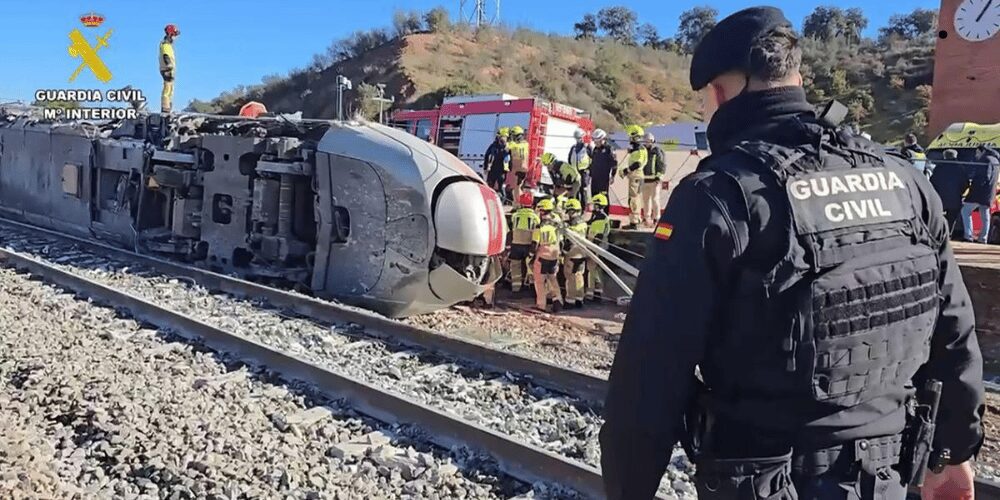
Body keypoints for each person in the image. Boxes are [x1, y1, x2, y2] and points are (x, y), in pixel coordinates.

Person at [599, 7, 985, 500]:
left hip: (766, 480)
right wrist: (953, 453)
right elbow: (954, 332)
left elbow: (648, 381)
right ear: (794, 77)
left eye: (702, 105)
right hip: (885, 477)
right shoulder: (907, 183)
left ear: (719, 93)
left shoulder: (718, 195)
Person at [931, 149, 973, 239]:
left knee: (939, 217)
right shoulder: (961, 168)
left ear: (945, 156)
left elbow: (932, 182)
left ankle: (938, 235)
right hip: (955, 199)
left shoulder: (939, 167)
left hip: (940, 198)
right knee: (951, 219)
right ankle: (948, 235)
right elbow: (966, 183)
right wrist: (960, 193)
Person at [962, 146, 1000, 243]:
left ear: (982, 151)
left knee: (965, 210)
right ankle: (983, 238)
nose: (976, 155)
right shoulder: (995, 160)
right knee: (985, 215)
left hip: (979, 193)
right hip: (989, 193)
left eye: (977, 152)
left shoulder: (985, 160)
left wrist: (973, 187)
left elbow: (984, 177)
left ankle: (968, 235)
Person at [531, 198, 563, 312]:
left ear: (543, 211)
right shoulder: (556, 226)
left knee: (539, 281)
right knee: (553, 279)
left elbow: (534, 244)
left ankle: (541, 305)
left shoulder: (539, 227)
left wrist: (531, 256)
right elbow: (562, 241)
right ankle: (557, 300)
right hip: (554, 255)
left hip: (542, 256)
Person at [509, 192, 540, 294]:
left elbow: (511, 228)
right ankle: (532, 288)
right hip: (528, 245)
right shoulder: (535, 217)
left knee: (515, 267)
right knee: (530, 267)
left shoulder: (515, 215)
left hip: (516, 244)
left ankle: (516, 288)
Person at [619, 125, 649, 229]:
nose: (629, 139)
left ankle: (634, 222)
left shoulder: (640, 150)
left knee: (634, 199)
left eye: (631, 137)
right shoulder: (638, 149)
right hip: (636, 176)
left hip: (636, 176)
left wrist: (626, 170)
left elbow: (638, 163)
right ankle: (635, 220)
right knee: (635, 198)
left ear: (636, 137)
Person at [561, 198, 588, 309]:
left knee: (570, 277)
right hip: (582, 253)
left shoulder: (571, 226)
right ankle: (579, 299)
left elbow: (569, 242)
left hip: (572, 255)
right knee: (579, 277)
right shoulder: (583, 223)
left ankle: (570, 301)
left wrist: (563, 252)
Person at [585, 193, 612, 302]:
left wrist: (592, 249)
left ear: (598, 205)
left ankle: (590, 294)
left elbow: (598, 236)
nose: (592, 207)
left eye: (594, 205)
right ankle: (597, 292)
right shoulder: (598, 217)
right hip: (599, 247)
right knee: (596, 271)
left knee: (591, 270)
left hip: (597, 247)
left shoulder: (601, 218)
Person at [640, 132, 666, 227]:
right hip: (644, 180)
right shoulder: (642, 151)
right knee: (645, 200)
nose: (646, 143)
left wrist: (659, 177)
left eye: (648, 141)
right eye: (645, 141)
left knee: (655, 200)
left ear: (652, 141)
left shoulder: (657, 151)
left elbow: (662, 165)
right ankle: (646, 218)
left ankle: (657, 218)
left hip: (655, 180)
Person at [589, 129, 617, 199]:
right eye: (594, 141)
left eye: (597, 141)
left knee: (603, 197)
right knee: (594, 196)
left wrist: (613, 176)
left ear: (602, 139)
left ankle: (605, 210)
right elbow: (593, 162)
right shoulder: (595, 149)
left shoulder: (609, 149)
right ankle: (596, 209)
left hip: (603, 178)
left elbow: (614, 164)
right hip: (595, 178)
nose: (595, 143)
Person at [569, 129, 594, 208]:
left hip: (584, 171)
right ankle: (576, 206)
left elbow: (593, 159)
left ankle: (584, 207)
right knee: (575, 190)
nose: (578, 139)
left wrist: (589, 169)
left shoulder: (587, 147)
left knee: (583, 189)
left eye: (580, 137)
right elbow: (569, 159)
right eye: (577, 138)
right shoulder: (573, 148)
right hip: (575, 172)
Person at [506, 126, 530, 202]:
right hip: (523, 169)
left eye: (513, 135)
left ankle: (520, 203)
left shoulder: (514, 145)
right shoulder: (526, 144)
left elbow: (506, 146)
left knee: (516, 188)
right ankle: (518, 203)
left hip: (518, 169)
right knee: (516, 187)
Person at [159, 24, 180, 114]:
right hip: (167, 69)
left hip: (169, 70)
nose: (175, 37)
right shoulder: (165, 45)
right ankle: (165, 108)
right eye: (175, 35)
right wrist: (169, 65)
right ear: (170, 34)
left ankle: (168, 107)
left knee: (170, 88)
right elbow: (166, 55)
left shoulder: (168, 45)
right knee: (167, 89)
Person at [485, 128, 511, 197]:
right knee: (490, 186)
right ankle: (489, 198)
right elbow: (487, 155)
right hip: (494, 169)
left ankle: (502, 201)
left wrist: (509, 168)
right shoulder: (494, 146)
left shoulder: (507, 147)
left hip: (501, 171)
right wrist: (485, 167)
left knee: (500, 187)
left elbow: (510, 159)